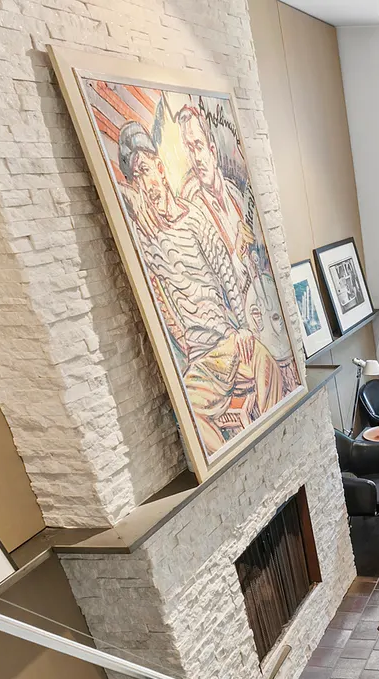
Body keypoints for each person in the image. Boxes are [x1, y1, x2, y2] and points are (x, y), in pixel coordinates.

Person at [115, 121, 289, 453]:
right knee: (191, 415)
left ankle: (278, 451)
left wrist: (241, 329)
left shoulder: (195, 220)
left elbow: (226, 274)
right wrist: (130, 196)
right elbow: (118, 200)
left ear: (161, 168)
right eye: (137, 176)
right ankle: (243, 467)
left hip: (230, 342)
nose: (146, 182)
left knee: (268, 367)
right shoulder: (148, 239)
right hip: (201, 361)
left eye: (148, 169)